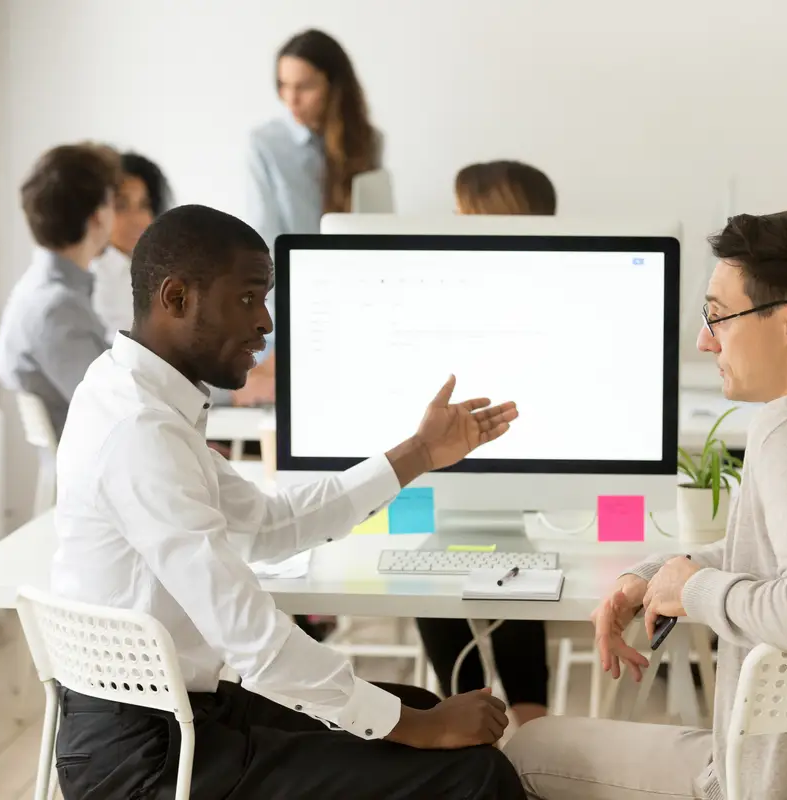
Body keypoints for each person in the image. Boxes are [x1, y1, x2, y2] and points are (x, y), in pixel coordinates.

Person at [49, 203, 526, 799]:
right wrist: (419, 730)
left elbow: (269, 525)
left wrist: (419, 453)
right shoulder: (140, 432)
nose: (266, 323)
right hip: (147, 763)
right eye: (248, 298)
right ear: (176, 298)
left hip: (176, 719)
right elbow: (252, 638)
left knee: (418, 705)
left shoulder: (132, 396)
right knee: (472, 774)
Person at [503, 211, 787, 800]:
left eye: (719, 316)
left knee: (525, 749)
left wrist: (694, 591)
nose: (705, 339)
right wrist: (654, 577)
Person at [415, 161, 557, 729]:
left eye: (463, 213)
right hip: (448, 465)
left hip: (512, 460)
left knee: (505, 562)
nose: (453, 224)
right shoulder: (445, 291)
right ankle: (481, 720)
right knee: (440, 568)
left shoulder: (540, 298)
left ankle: (519, 724)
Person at [245, 28, 380, 379]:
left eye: (304, 86)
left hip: (354, 302)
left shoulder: (367, 143)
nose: (291, 99)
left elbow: (373, 229)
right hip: (289, 308)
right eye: (283, 85)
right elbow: (264, 242)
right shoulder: (265, 144)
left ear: (334, 86)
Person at [0, 142, 119, 438]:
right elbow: (116, 405)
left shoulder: (40, 291)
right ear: (98, 216)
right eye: (114, 203)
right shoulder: (56, 308)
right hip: (101, 471)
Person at [90, 152, 172, 337]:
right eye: (122, 206)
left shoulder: (156, 269)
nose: (137, 219)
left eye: (144, 205)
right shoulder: (97, 280)